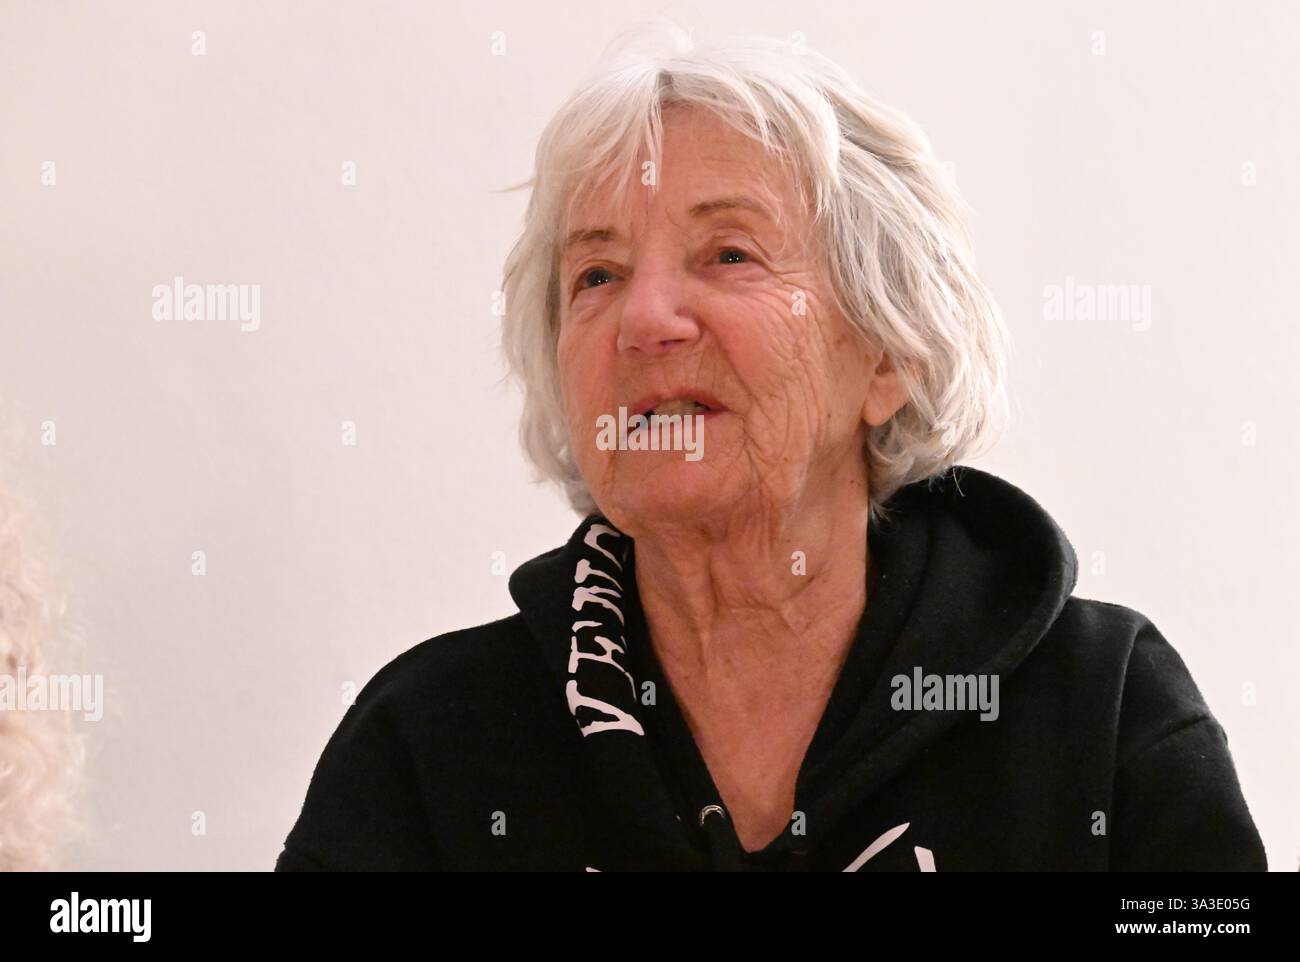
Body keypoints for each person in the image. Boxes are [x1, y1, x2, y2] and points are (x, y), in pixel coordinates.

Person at [276, 24, 1266, 871]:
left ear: (886, 351)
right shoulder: (430, 744)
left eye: (728, 253)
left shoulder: (1102, 716)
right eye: (596, 275)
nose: (645, 318)